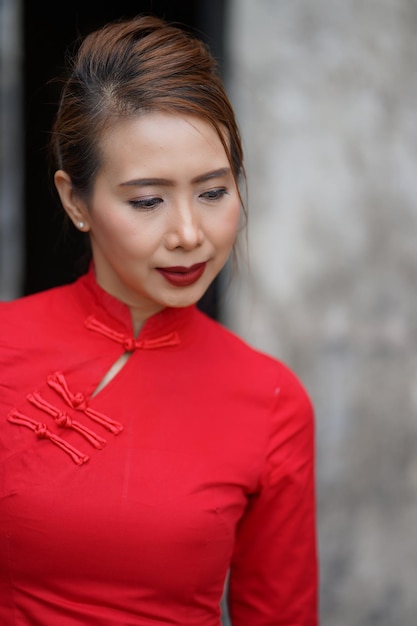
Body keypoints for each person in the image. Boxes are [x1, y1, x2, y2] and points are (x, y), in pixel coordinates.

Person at [0, 14, 318, 626]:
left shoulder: (271, 401)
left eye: (213, 191)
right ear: (75, 201)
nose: (189, 234)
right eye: (147, 200)